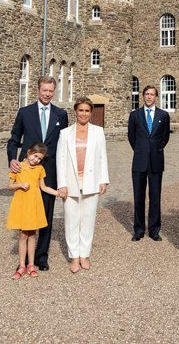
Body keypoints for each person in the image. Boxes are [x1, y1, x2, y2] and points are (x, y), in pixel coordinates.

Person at [7, 76, 67, 271]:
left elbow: (64, 145)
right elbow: (14, 139)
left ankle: (41, 257)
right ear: (38, 90)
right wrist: (12, 159)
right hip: (26, 172)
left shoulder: (61, 114)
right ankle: (24, 259)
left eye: (51, 91)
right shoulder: (25, 112)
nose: (48, 94)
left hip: (49, 171)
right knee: (26, 213)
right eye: (44, 90)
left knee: (46, 214)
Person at [56, 97, 109, 273]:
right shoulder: (65, 133)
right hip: (71, 182)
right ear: (75, 112)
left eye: (87, 111)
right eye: (81, 110)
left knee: (88, 219)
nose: (84, 114)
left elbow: (102, 157)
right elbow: (60, 160)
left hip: (91, 181)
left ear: (91, 112)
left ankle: (84, 254)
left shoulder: (98, 131)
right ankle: (74, 256)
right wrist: (62, 184)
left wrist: (103, 179)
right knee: (71, 220)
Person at [7, 142, 60, 278]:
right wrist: (20, 185)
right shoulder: (19, 167)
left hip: (34, 204)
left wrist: (58, 193)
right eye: (35, 156)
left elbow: (44, 187)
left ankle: (31, 265)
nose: (36, 160)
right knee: (23, 235)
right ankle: (21, 266)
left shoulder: (40, 169)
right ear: (29, 152)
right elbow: (9, 186)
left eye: (39, 159)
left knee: (32, 235)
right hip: (22, 203)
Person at [127, 85, 171, 241]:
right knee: (138, 197)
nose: (149, 97)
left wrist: (155, 149)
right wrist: (141, 150)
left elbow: (165, 137)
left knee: (155, 196)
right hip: (139, 161)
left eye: (152, 94)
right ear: (143, 96)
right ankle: (138, 230)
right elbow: (131, 137)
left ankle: (154, 230)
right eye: (146, 94)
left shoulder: (164, 115)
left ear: (156, 97)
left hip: (156, 160)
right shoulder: (135, 115)